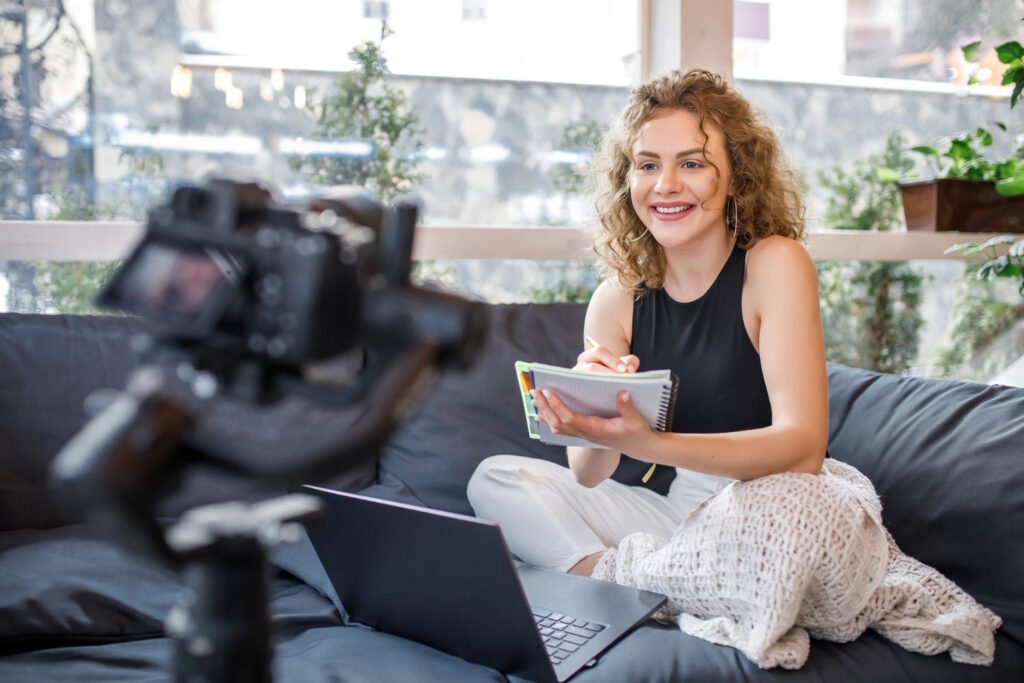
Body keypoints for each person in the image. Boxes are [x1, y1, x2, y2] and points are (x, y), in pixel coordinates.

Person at [467, 68, 828, 578]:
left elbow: (805, 448)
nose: (666, 185)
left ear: (738, 177)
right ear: (627, 178)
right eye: (647, 165)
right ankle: (611, 579)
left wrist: (648, 444)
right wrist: (592, 415)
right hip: (682, 511)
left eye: (692, 163)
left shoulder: (775, 263)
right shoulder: (616, 299)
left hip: (768, 506)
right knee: (493, 480)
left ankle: (651, 581)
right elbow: (589, 476)